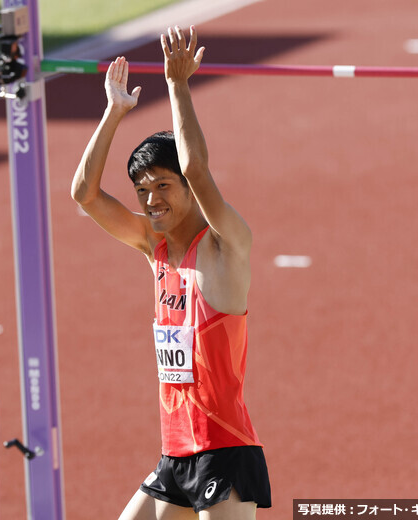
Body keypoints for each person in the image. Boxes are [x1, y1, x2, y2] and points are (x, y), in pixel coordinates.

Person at [71, 25, 271, 519]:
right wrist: (114, 113)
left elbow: (197, 168)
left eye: (162, 185)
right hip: (175, 450)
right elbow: (85, 195)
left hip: (224, 449)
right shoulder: (152, 246)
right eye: (142, 191)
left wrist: (177, 84)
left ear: (184, 187)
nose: (150, 200)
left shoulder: (227, 244)